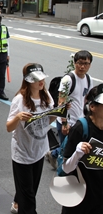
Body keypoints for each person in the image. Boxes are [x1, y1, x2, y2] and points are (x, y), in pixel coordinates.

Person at [6, 63, 56, 214]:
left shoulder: (46, 95)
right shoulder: (19, 100)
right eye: (36, 79)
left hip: (39, 151)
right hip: (22, 153)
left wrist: (60, 112)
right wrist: (18, 117)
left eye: (42, 78)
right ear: (28, 80)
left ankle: (17, 201)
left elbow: (48, 120)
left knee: (31, 190)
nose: (41, 82)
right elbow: (9, 127)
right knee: (28, 199)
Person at [46, 50, 93, 169]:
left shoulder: (88, 79)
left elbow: (87, 99)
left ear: (90, 65)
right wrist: (64, 123)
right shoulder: (68, 79)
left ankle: (53, 154)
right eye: (80, 63)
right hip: (68, 121)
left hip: (80, 121)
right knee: (66, 149)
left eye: (86, 64)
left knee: (72, 147)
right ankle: (62, 174)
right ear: (74, 63)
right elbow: (61, 102)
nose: (82, 66)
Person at [61, 84, 103, 214]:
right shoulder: (81, 128)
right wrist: (77, 153)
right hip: (77, 197)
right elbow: (65, 168)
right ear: (92, 107)